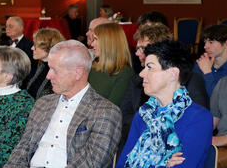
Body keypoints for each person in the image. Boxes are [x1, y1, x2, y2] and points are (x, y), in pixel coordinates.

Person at [2, 40, 122, 168]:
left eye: (55, 70)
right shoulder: (42, 103)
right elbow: (22, 149)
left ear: (78, 73)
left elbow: (92, 162)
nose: (48, 76)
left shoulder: (105, 112)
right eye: (49, 68)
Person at [116, 40, 214, 168]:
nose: (141, 74)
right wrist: (163, 164)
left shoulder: (199, 119)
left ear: (173, 74)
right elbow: (121, 164)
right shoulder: (144, 114)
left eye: (150, 67)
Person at [120, 24, 209, 147]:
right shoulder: (136, 80)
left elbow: (195, 121)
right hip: (137, 141)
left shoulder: (190, 79)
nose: (137, 53)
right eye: (137, 48)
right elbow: (124, 115)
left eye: (143, 48)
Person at [89, 21, 135, 107]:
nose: (92, 44)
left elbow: (110, 108)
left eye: (96, 39)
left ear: (108, 43)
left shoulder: (124, 73)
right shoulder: (93, 66)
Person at [194, 24, 227, 94]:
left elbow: (219, 98)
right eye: (205, 42)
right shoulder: (200, 64)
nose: (205, 46)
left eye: (211, 42)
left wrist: (207, 72)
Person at [25, 27, 64, 99]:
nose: (32, 48)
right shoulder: (42, 67)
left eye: (35, 45)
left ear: (48, 47)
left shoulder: (59, 73)